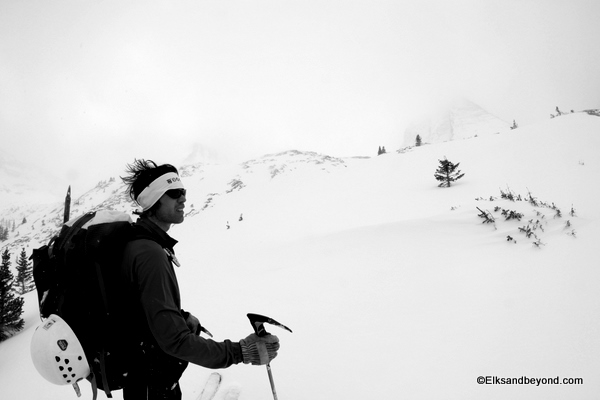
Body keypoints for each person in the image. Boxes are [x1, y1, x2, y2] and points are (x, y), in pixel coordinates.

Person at [120, 159, 279, 400]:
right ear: (153, 200)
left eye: (183, 192)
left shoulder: (140, 244)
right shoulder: (150, 254)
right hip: (152, 383)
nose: (183, 198)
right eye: (174, 193)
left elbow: (137, 305)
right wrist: (240, 351)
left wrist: (180, 317)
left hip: (145, 376)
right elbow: (175, 342)